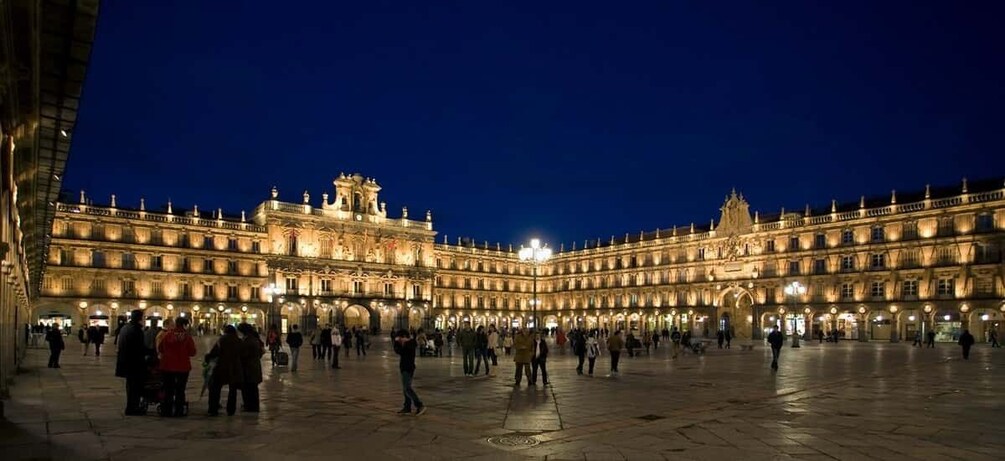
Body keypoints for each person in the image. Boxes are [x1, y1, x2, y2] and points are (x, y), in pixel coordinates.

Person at [157, 317, 196, 417]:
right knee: (180, 390)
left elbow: (160, 348)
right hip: (183, 367)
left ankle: (166, 411)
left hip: (167, 366)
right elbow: (192, 352)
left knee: (168, 389)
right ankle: (179, 411)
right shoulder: (187, 337)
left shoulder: (168, 335)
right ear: (185, 325)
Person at [115, 310, 147, 416]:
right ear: (140, 318)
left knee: (130, 386)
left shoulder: (125, 328)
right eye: (143, 317)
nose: (144, 319)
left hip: (125, 362)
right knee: (135, 387)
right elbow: (140, 348)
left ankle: (130, 407)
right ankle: (133, 408)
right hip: (134, 363)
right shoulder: (136, 330)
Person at [206, 325, 243, 416]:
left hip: (221, 366)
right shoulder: (239, 341)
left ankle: (213, 409)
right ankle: (231, 410)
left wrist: (208, 358)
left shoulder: (221, 340)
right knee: (232, 390)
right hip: (235, 367)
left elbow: (214, 353)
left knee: (215, 388)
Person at [393, 329, 426, 415]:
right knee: (405, 388)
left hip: (408, 367)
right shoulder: (403, 344)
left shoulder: (411, 344)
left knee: (407, 388)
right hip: (403, 367)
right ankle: (407, 407)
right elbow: (397, 351)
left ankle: (419, 405)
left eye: (399, 337)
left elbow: (404, 351)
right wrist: (398, 342)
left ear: (404, 337)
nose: (398, 339)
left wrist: (404, 343)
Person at [238, 323, 265, 412]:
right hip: (253, 366)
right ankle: (252, 406)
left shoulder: (248, 340)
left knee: (248, 388)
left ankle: (250, 406)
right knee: (252, 388)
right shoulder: (253, 339)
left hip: (249, 368)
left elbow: (244, 353)